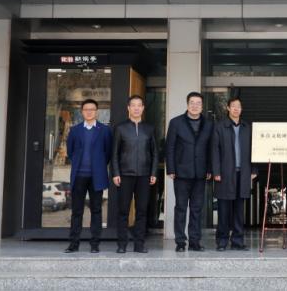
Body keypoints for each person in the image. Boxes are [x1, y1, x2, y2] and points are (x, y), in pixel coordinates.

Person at [111, 95, 158, 254]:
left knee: (142, 211)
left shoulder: (149, 128)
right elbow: (114, 153)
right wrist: (116, 173)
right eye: (133, 105)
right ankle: (122, 244)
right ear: (128, 108)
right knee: (123, 211)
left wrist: (153, 172)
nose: (136, 108)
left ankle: (139, 244)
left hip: (144, 175)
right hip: (125, 174)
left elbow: (155, 153)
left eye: (139, 105)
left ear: (143, 108)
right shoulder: (120, 128)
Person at [63, 98, 112, 254]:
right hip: (79, 175)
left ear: (96, 112)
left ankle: (95, 243)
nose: (89, 112)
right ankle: (73, 244)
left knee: (96, 210)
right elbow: (71, 151)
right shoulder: (75, 130)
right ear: (82, 112)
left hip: (97, 176)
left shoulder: (104, 130)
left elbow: (108, 152)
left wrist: (99, 165)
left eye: (92, 109)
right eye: (86, 109)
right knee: (77, 211)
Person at [165, 91, 212, 252]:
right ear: (187, 104)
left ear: (202, 106)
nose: (195, 106)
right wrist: (171, 168)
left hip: (201, 173)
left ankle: (194, 241)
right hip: (181, 172)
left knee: (197, 209)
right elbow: (170, 147)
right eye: (192, 103)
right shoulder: (176, 122)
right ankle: (180, 242)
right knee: (181, 208)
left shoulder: (208, 124)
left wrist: (210, 169)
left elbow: (210, 148)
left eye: (198, 103)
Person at [211, 97, 258, 251]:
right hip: (225, 174)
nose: (236, 109)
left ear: (241, 109)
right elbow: (215, 150)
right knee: (224, 209)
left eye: (239, 106)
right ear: (228, 108)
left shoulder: (247, 127)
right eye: (233, 106)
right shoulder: (220, 127)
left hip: (243, 174)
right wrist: (216, 171)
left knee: (239, 210)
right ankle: (222, 241)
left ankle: (238, 241)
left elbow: (254, 150)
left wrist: (254, 169)